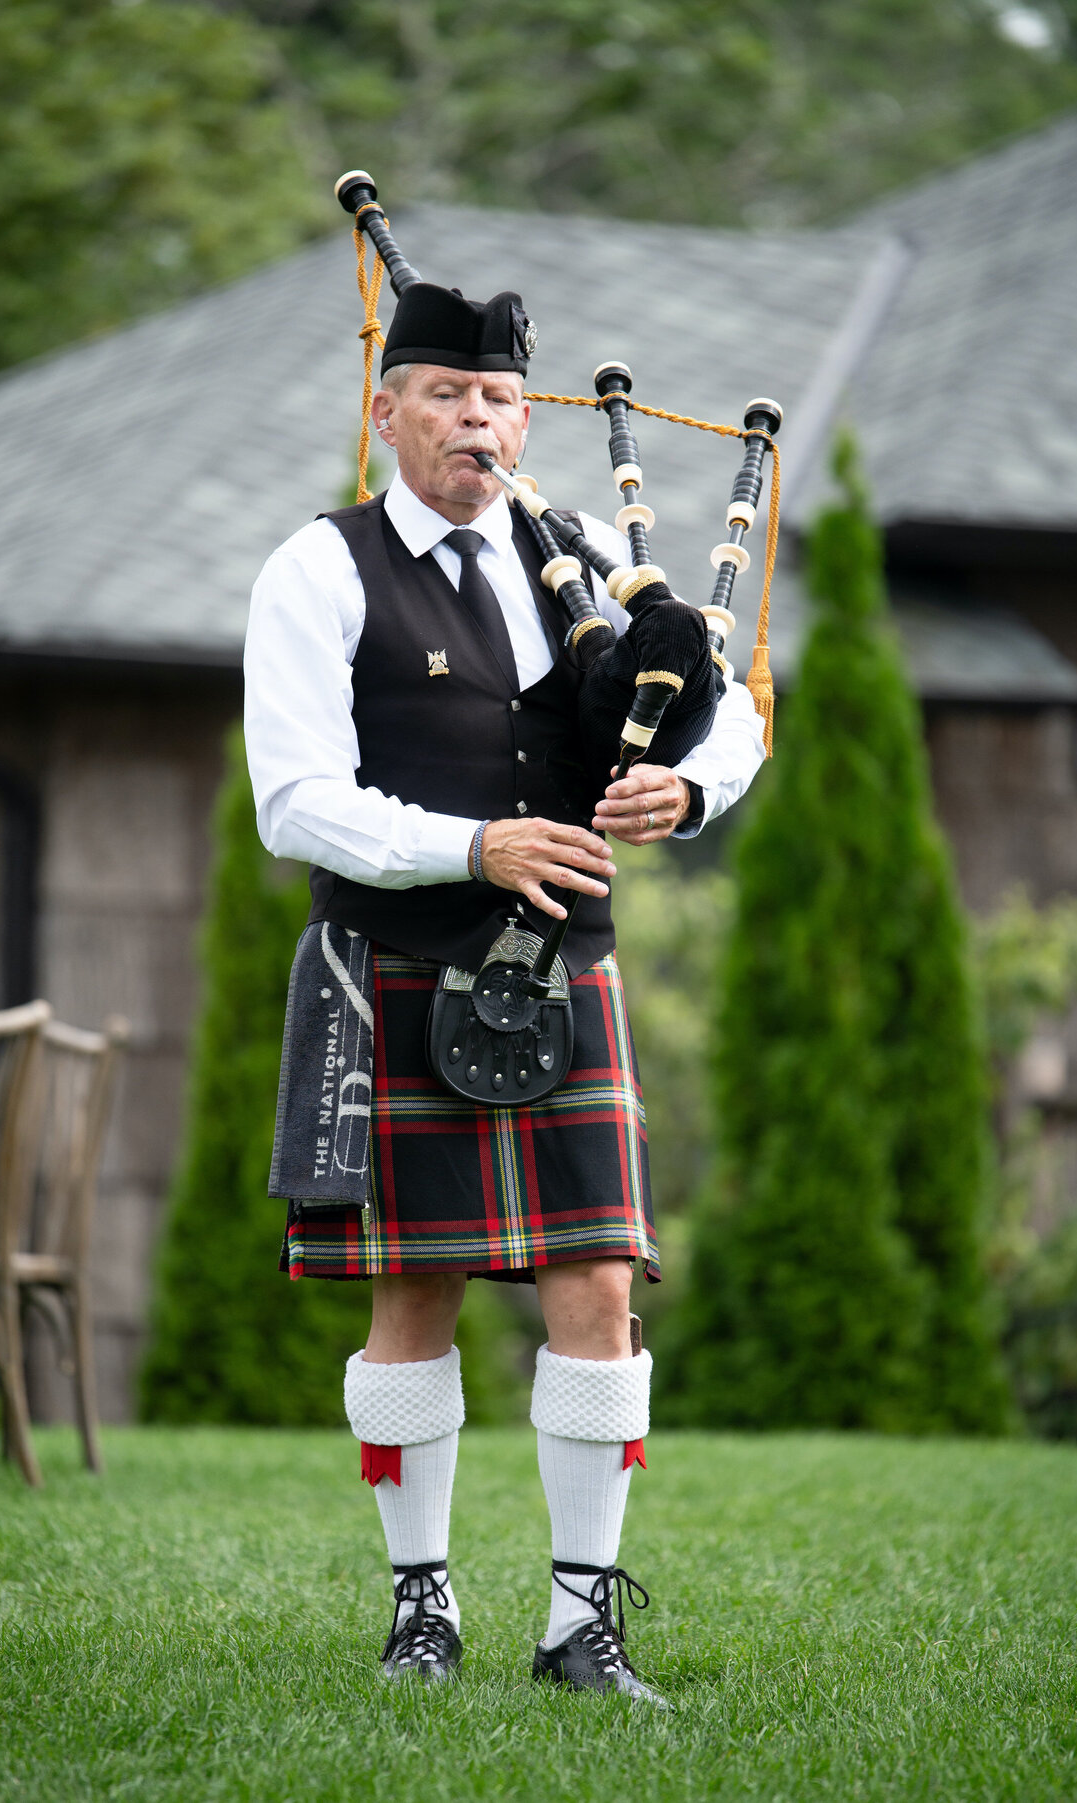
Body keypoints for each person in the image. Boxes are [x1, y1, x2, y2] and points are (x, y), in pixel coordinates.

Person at [243, 275, 765, 1703]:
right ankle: (424, 1607)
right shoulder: (322, 568)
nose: (482, 421)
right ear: (389, 409)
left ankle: (578, 1626)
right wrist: (465, 844)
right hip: (398, 965)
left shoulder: (587, 555)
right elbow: (290, 800)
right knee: (412, 1297)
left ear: (526, 421)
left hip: (562, 976)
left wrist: (689, 785)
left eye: (503, 401)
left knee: (597, 1284)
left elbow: (739, 708)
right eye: (452, 397)